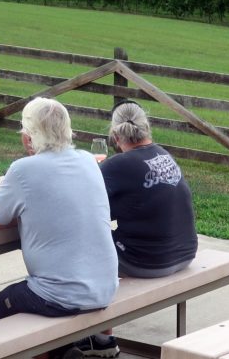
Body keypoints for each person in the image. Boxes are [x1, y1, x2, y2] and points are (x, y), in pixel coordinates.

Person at [0, 97, 119, 359]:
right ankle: (66, 352)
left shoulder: (23, 170)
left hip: (58, 294)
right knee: (39, 306)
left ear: (28, 138)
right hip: (105, 286)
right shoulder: (88, 160)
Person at [72, 100, 198, 358]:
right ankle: (99, 337)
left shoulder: (118, 165)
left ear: (116, 136)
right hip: (184, 253)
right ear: (146, 128)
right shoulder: (164, 154)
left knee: (83, 244)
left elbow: (82, 204)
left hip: (149, 261)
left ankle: (99, 339)